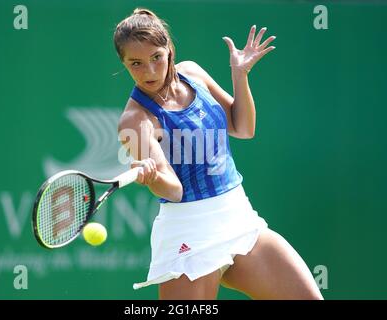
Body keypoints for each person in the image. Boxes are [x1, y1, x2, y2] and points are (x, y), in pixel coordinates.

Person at [114, 8, 323, 300]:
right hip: (189, 234)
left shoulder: (193, 73)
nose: (149, 71)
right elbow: (173, 190)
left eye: (156, 58)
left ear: (169, 50)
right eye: (135, 63)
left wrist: (240, 74)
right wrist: (152, 176)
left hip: (238, 216)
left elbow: (243, 126)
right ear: (123, 63)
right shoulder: (135, 120)